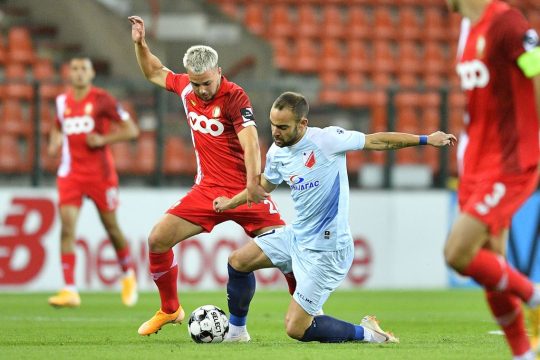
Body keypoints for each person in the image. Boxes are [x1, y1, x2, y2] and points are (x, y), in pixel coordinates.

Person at [213, 91, 457, 343]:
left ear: (303, 123)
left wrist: (427, 139)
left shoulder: (327, 140)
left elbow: (378, 141)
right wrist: (231, 202)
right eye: (273, 124)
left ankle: (369, 334)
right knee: (238, 262)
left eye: (283, 127)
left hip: (327, 250)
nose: (275, 132)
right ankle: (237, 333)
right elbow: (263, 186)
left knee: (296, 328)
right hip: (297, 237)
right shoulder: (277, 151)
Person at [128, 16, 294, 337]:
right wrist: (140, 44)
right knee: (157, 240)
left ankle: (308, 311)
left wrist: (252, 183)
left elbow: (250, 143)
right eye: (196, 83)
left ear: (219, 71)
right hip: (206, 191)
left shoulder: (235, 97)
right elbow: (153, 71)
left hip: (245, 192)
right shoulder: (186, 88)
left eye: (207, 82)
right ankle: (170, 309)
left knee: (287, 249)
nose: (202, 90)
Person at [444, 1, 540, 359]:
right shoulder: (468, 30)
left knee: (457, 253)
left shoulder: (508, 23)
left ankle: (534, 295)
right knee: (490, 263)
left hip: (509, 162)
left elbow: (537, 69)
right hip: (476, 165)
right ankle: (523, 354)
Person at [47, 57, 140, 308]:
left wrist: (103, 140)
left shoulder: (103, 99)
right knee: (67, 227)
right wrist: (54, 141)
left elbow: (131, 130)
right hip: (71, 174)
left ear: (91, 74)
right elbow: (57, 127)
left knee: (111, 228)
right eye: (74, 69)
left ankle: (128, 273)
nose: (78, 73)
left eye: (83, 69)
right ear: (69, 73)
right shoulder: (61, 101)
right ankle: (69, 289)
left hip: (100, 175)